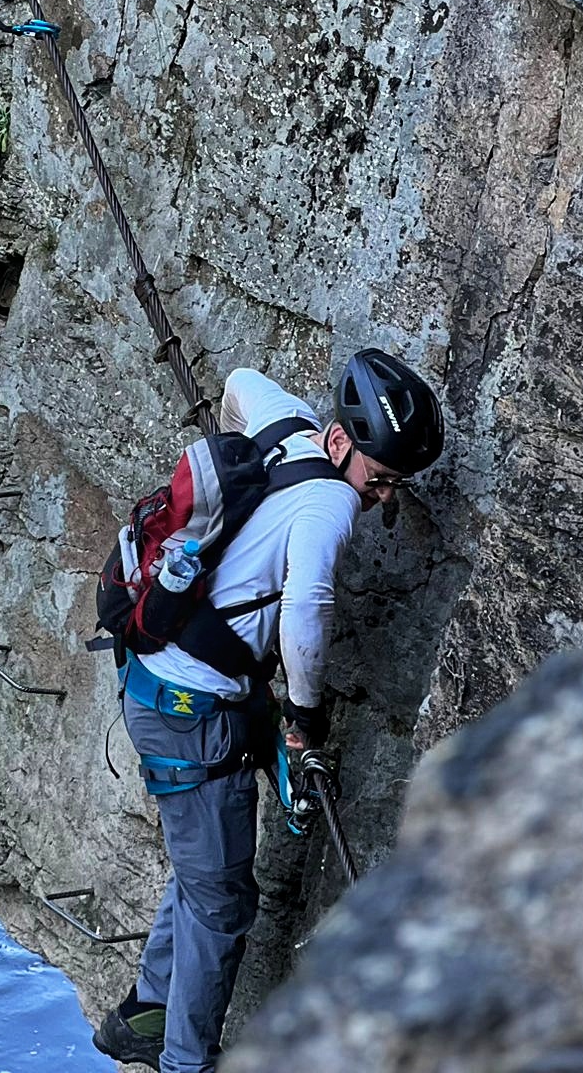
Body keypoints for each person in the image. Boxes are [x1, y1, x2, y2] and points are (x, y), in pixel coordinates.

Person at [94, 349, 447, 1073]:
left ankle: (147, 1012)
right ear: (343, 444)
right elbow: (306, 615)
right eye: (380, 481)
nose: (380, 499)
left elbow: (238, 387)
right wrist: (304, 719)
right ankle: (186, 1061)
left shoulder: (286, 427)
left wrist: (233, 519)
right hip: (195, 714)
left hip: (166, 679)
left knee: (205, 872)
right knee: (223, 905)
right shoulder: (329, 505)